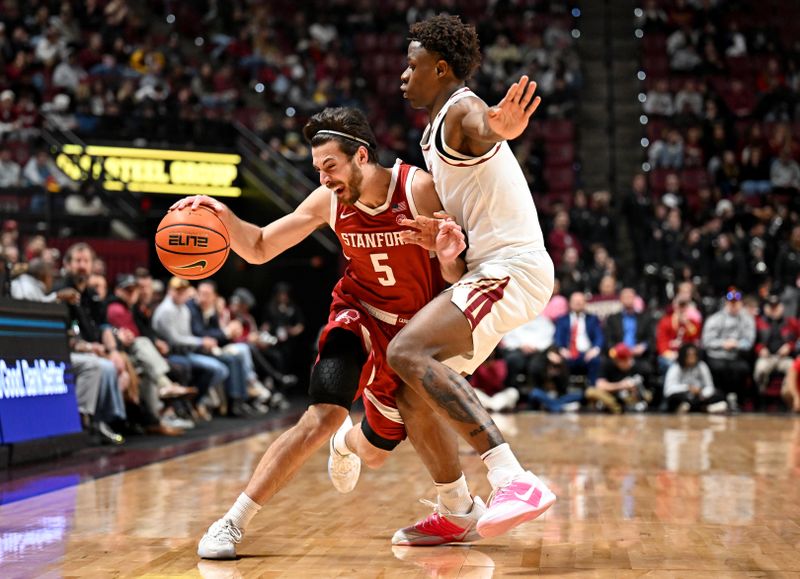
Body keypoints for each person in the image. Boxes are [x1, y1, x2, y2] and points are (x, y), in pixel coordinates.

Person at [175, 107, 479, 559]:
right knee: (323, 414)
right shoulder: (329, 202)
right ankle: (232, 522)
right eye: (317, 169)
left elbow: (457, 273)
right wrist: (222, 216)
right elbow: (259, 246)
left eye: (330, 166)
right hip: (358, 314)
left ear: (361, 156)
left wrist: (446, 251)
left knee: (375, 452)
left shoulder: (418, 189)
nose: (323, 179)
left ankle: (348, 444)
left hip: (414, 336)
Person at [388, 14, 556, 540]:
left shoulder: (462, 111)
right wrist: (445, 247)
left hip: (513, 267)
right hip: (486, 269)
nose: (402, 74)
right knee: (411, 388)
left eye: (412, 65)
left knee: (404, 351)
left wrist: (500, 127)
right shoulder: (436, 129)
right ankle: (459, 509)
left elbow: (484, 125)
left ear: (440, 68)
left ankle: (513, 478)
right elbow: (456, 266)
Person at [701, 288, 756, 410]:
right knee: (719, 368)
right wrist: (723, 343)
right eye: (731, 303)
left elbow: (749, 341)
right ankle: (720, 399)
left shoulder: (747, 319)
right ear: (726, 303)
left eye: (736, 302)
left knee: (741, 369)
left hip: (737, 355)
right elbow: (707, 341)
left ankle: (737, 400)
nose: (734, 305)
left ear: (741, 303)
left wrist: (737, 344)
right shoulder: (714, 319)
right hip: (717, 355)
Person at [554, 292, 604, 385]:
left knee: (597, 361)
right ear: (569, 303)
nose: (578, 303)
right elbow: (557, 337)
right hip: (568, 353)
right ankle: (564, 393)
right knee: (558, 361)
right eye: (575, 301)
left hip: (587, 353)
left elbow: (599, 337)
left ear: (585, 303)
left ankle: (592, 391)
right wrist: (562, 349)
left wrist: (595, 350)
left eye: (580, 301)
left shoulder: (593, 318)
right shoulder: (562, 319)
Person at [663, 344, 726, 413]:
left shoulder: (702, 366)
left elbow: (710, 386)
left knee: (719, 394)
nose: (692, 358)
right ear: (683, 356)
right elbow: (668, 390)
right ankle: (705, 408)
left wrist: (702, 393)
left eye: (694, 355)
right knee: (674, 399)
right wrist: (687, 388)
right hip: (684, 395)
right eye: (689, 355)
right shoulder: (675, 368)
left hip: (700, 396)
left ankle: (696, 408)